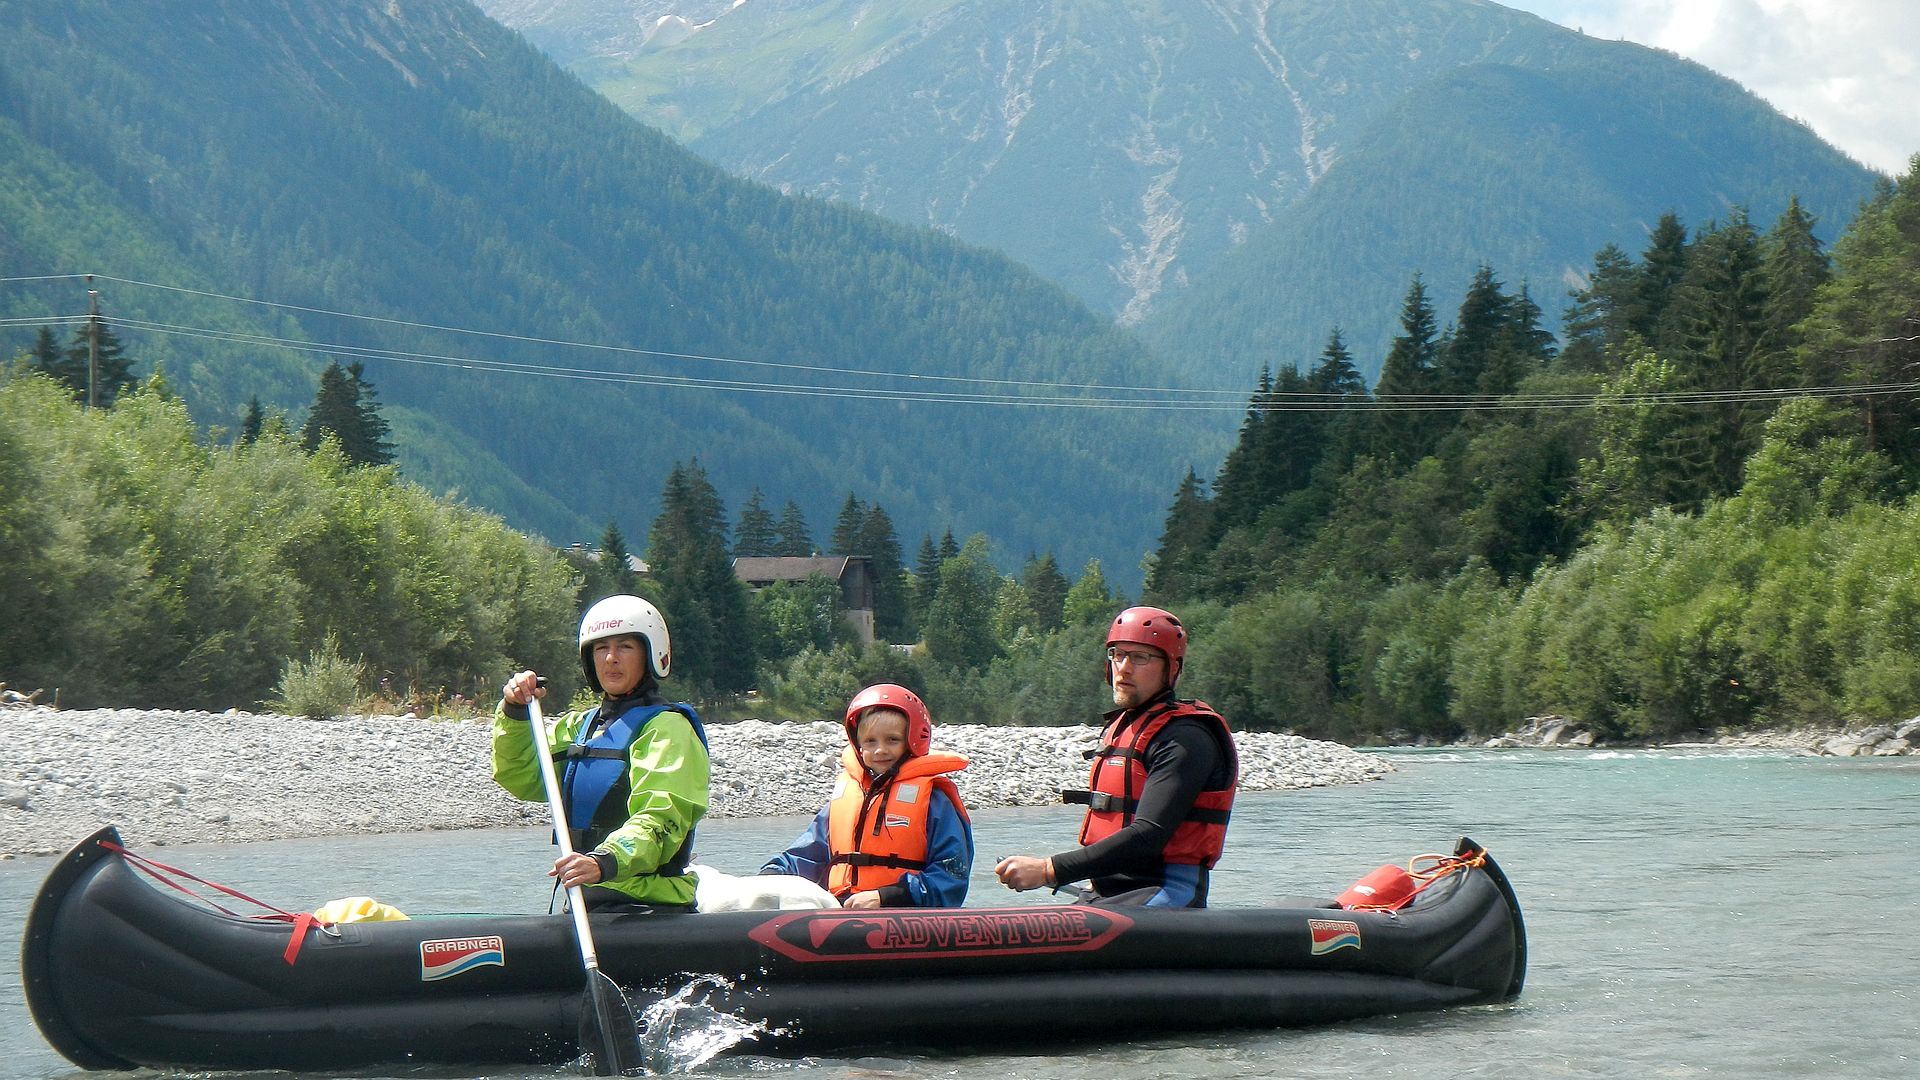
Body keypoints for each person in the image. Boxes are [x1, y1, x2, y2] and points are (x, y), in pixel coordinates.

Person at [994, 606, 1238, 908]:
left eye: (1140, 657)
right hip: (1107, 890)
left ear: (1171, 668)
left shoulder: (1186, 738)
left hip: (1166, 893)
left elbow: (1148, 836)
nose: (1124, 667)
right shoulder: (1125, 726)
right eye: (1117, 655)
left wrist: (1049, 869)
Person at [494, 594, 710, 911]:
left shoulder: (668, 729)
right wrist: (513, 712)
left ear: (651, 653)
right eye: (601, 648)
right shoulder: (582, 728)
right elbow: (521, 775)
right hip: (586, 899)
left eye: (624, 646)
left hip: (649, 903)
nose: (610, 658)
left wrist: (604, 861)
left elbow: (661, 819)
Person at [760, 683, 973, 908]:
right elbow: (806, 856)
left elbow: (951, 877)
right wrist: (772, 874)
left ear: (913, 741)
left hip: (905, 914)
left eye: (892, 740)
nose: (880, 750)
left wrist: (885, 896)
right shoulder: (844, 800)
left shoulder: (935, 802)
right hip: (842, 911)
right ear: (858, 746)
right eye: (870, 741)